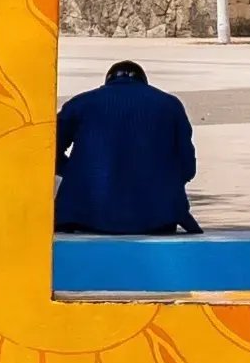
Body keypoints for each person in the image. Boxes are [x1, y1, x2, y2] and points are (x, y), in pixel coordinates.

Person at [54, 60, 199, 234]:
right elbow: (187, 165)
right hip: (158, 217)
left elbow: (48, 152)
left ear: (108, 81)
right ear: (143, 82)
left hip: (84, 213)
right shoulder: (169, 105)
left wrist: (76, 173)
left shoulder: (80, 104)